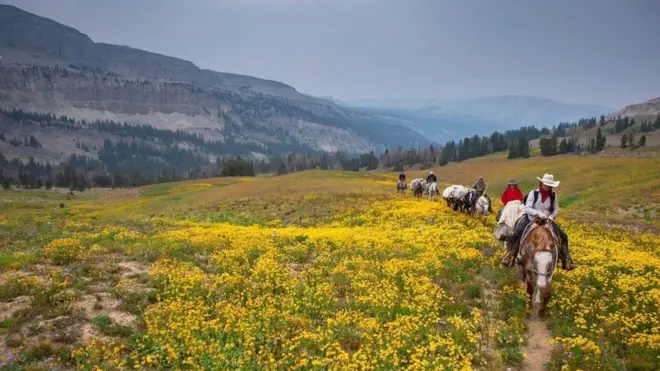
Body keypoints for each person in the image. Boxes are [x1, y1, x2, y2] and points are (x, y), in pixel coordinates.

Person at [503, 173, 576, 270]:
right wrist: (538, 214)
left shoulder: (554, 196)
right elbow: (527, 208)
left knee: (563, 235)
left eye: (549, 185)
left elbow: (556, 209)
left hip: (547, 220)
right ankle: (510, 256)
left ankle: (566, 259)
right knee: (517, 233)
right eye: (546, 184)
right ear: (541, 183)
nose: (547, 186)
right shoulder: (533, 193)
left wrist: (551, 216)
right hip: (531, 218)